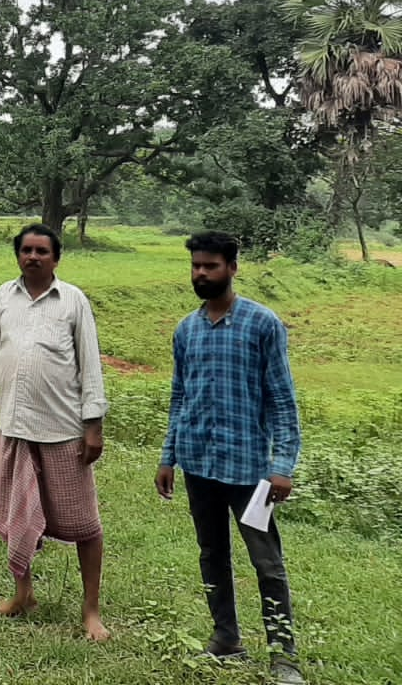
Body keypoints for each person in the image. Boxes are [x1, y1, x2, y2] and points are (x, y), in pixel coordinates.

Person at [156, 231, 304, 685]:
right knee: (211, 554)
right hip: (199, 465)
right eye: (196, 266)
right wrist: (169, 456)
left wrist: (282, 466)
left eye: (211, 266)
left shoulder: (262, 323)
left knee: (267, 563)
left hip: (250, 473)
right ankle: (226, 639)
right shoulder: (187, 329)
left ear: (232, 268)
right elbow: (180, 396)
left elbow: (282, 399)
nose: (201, 274)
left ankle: (283, 656)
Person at [0, 223, 110, 641]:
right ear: (18, 256)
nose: (33, 257)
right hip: (15, 427)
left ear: (56, 258)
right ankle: (22, 593)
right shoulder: (3, 298)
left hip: (63, 430)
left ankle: (91, 609)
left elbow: (90, 366)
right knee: (16, 517)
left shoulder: (73, 301)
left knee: (85, 524)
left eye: (42, 251)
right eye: (26, 250)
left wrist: (93, 425)